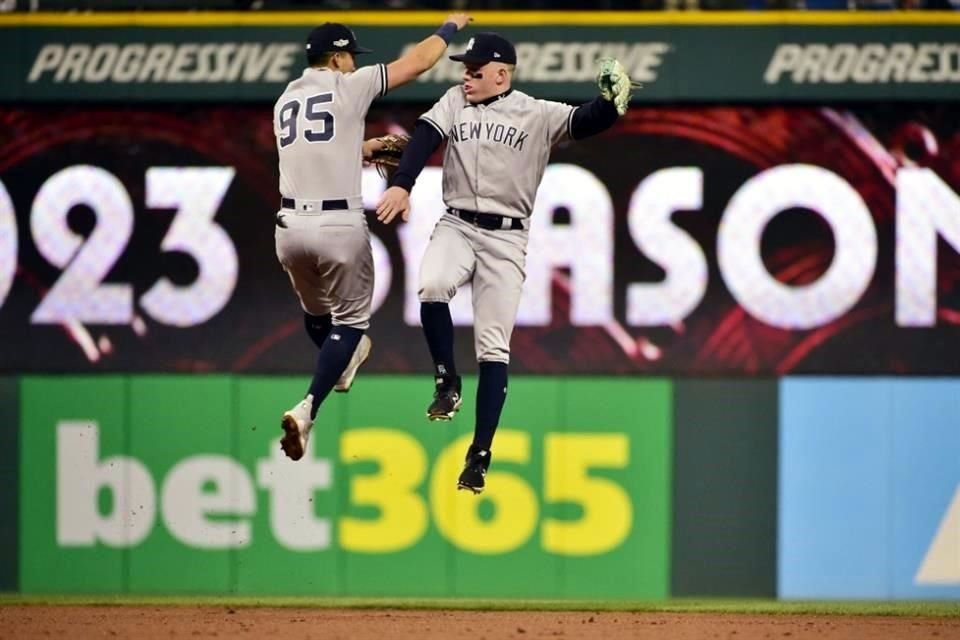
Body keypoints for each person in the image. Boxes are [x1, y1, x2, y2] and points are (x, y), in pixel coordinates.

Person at [375, 32, 631, 493]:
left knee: (493, 348)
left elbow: (586, 120)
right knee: (432, 285)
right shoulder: (454, 101)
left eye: (475, 70)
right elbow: (423, 139)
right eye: (464, 69)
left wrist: (611, 105)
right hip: (457, 223)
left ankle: (479, 454)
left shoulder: (536, 112)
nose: (466, 77)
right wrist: (404, 183)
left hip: (507, 238)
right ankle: (445, 380)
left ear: (501, 74)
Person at [275, 14, 472, 461]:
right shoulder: (350, 84)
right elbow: (419, 62)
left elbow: (310, 149)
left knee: (317, 312)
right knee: (351, 324)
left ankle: (341, 363)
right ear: (339, 57)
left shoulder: (285, 98)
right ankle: (308, 407)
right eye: (349, 58)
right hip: (337, 226)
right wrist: (449, 28)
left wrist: (362, 149)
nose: (351, 64)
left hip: (288, 229)